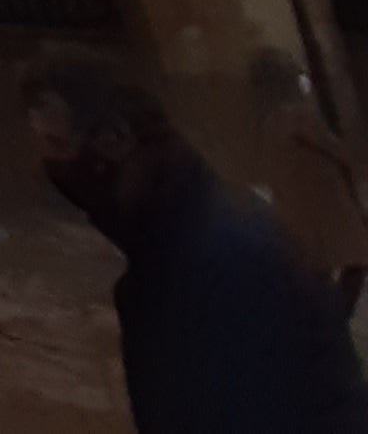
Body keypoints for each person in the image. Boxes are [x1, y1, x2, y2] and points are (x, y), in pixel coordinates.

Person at [24, 58, 368, 433]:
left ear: (115, 139)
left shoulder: (220, 260)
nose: (44, 167)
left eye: (56, 144)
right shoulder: (175, 257)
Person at [254, 48, 368, 316]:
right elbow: (334, 148)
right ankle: (336, 314)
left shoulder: (270, 124)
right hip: (324, 205)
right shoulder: (296, 117)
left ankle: (331, 315)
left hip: (302, 206)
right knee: (354, 258)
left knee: (324, 267)